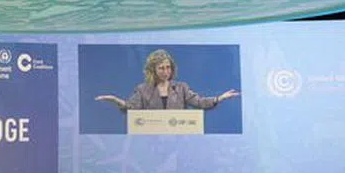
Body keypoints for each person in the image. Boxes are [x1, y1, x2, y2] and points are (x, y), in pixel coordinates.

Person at [94, 48, 239, 112]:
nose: (166, 72)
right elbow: (131, 107)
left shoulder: (181, 88)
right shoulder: (143, 89)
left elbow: (199, 102)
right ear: (153, 70)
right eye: (161, 68)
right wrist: (115, 100)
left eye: (168, 67)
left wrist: (219, 98)